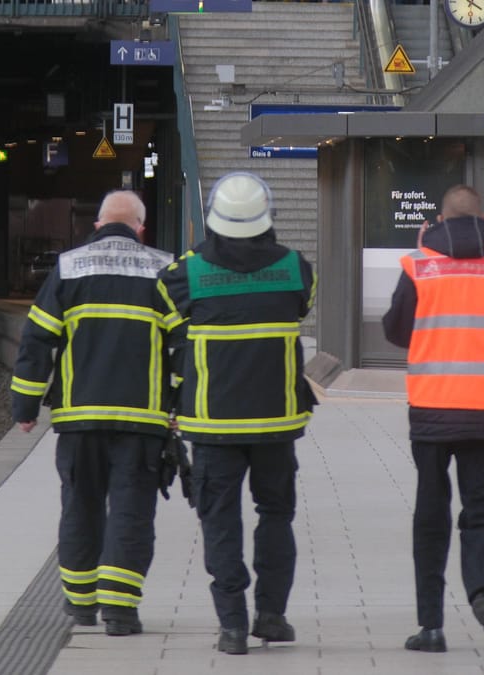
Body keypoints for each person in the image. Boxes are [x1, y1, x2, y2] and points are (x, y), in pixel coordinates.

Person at [381, 184, 484, 663]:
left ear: (437, 221)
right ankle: (483, 594)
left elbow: (395, 331)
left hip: (433, 411)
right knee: (481, 514)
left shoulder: (421, 265)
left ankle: (430, 626)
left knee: (430, 516)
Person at [157, 172, 317, 656]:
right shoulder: (296, 268)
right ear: (267, 217)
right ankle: (272, 615)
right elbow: (301, 308)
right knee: (276, 516)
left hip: (212, 424)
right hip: (276, 422)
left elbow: (168, 329)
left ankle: (231, 625)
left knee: (219, 521)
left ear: (213, 218)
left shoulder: (184, 276)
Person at [10, 190, 175, 637]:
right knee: (131, 511)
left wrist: (25, 407)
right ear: (141, 229)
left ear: (99, 226)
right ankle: (120, 613)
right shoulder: (164, 269)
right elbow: (182, 348)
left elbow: (37, 340)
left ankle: (81, 604)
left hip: (80, 419)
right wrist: (178, 408)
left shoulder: (68, 267)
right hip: (142, 421)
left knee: (80, 505)